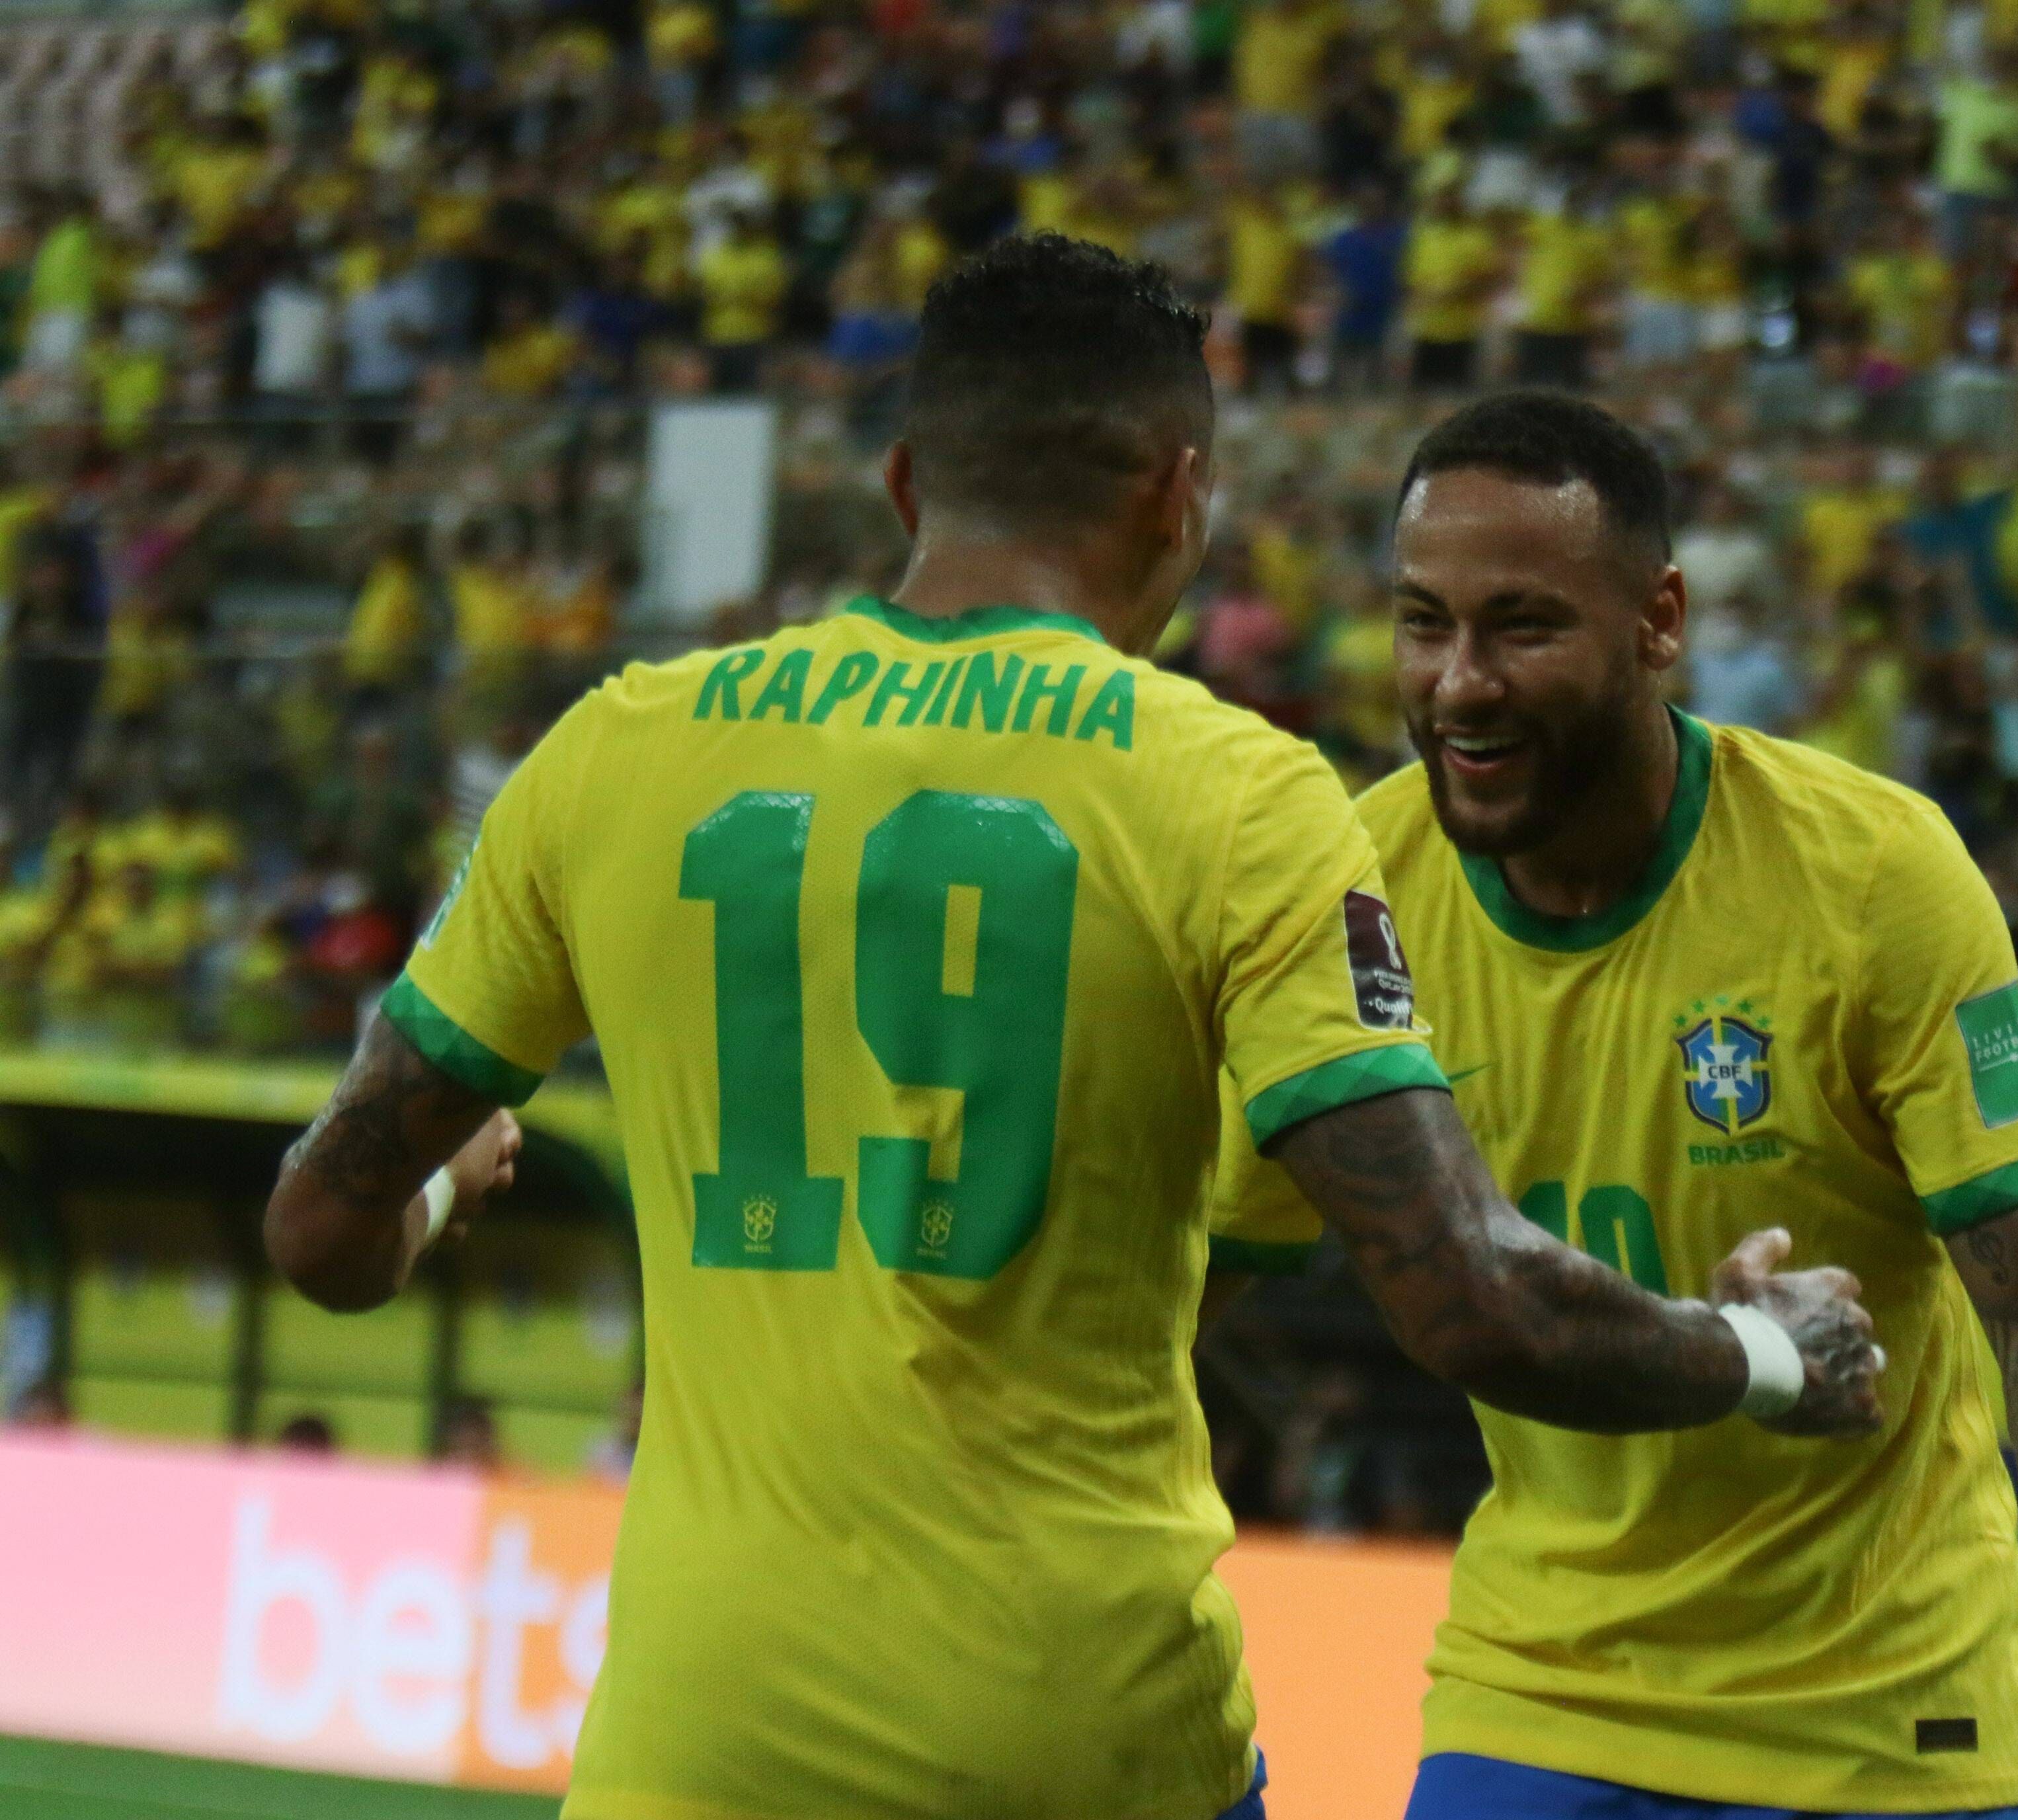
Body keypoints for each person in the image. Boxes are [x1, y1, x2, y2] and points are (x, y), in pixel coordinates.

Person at [262, 238, 1884, 1820]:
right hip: (1084, 1740)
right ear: (1181, 497)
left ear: (907, 483)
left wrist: (436, 1190)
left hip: (697, 1743)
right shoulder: (1235, 796)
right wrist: (1766, 1356)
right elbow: (1466, 1295)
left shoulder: (614, 753)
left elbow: (320, 1232)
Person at [1213, 393, 2018, 1820]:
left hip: (1883, 1720)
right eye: (1423, 623)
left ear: (1659, 622)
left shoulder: (1874, 876)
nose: (1460, 683)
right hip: (1542, 1691)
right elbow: (1197, 1271)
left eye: (1523, 627)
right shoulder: (1359, 888)